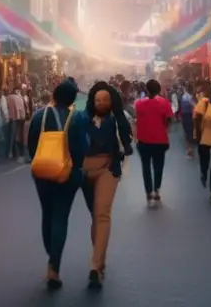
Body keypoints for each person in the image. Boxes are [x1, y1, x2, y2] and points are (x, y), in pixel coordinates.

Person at [28, 80, 87, 291]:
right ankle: (54, 266)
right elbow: (82, 149)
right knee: (61, 216)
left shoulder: (39, 116)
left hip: (42, 173)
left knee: (47, 213)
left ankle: (51, 254)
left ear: (54, 95)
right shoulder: (78, 118)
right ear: (73, 99)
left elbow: (31, 146)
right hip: (68, 175)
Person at [78, 82, 133, 291]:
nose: (101, 103)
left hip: (109, 169)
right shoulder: (82, 120)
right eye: (97, 100)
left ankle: (94, 266)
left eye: (105, 100)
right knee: (95, 215)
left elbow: (127, 145)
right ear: (92, 101)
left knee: (102, 214)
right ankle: (100, 259)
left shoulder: (118, 120)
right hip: (85, 172)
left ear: (112, 102)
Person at [134, 79, 173, 207]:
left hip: (143, 140)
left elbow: (137, 118)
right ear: (159, 89)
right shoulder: (165, 103)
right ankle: (156, 189)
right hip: (160, 140)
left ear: (146, 90)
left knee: (145, 166)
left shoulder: (138, 103)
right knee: (158, 165)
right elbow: (168, 121)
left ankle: (148, 191)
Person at [6, 87, 27, 162]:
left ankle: (11, 152)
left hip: (13, 118)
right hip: (20, 118)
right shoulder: (20, 97)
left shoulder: (9, 97)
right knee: (18, 135)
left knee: (12, 135)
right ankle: (17, 152)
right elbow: (23, 108)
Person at [178, 85, 196, 159]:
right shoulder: (189, 98)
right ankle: (190, 151)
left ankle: (188, 149)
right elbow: (194, 107)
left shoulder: (184, 96)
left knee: (187, 133)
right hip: (188, 116)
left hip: (184, 116)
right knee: (190, 133)